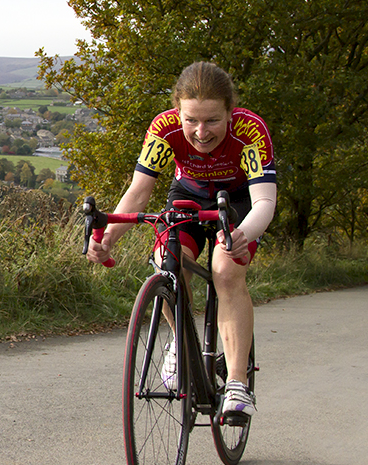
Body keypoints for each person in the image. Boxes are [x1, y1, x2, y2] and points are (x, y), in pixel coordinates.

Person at [85, 61, 277, 419]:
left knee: (226, 269)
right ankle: (180, 342)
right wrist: (110, 236)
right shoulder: (164, 128)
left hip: (236, 202)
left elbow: (265, 200)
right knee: (166, 262)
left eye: (212, 121)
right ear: (178, 112)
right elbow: (139, 193)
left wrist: (242, 235)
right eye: (191, 120)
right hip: (187, 195)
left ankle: (236, 383)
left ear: (230, 113)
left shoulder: (250, 130)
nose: (201, 132)